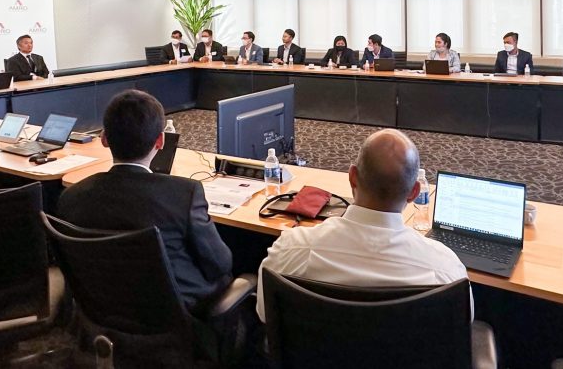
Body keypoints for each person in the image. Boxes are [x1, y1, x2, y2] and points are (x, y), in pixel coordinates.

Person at [256, 129, 467, 321]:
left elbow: (265, 313)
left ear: (352, 177)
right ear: (414, 193)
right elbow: (461, 328)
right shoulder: (445, 270)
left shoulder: (292, 250)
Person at [57, 90, 234, 311]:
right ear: (160, 141)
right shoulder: (184, 195)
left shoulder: (71, 197)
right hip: (171, 315)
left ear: (104, 139)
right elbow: (220, 263)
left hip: (100, 310)